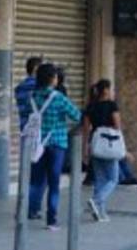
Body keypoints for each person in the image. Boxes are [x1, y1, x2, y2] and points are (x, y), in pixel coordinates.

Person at [27, 64, 82, 229]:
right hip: (57, 143)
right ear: (52, 79)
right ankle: (52, 220)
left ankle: (31, 210)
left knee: (36, 181)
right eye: (56, 76)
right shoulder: (58, 97)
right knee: (54, 183)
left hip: (37, 144)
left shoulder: (31, 96)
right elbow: (76, 115)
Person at [83, 79, 122, 221]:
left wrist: (85, 149)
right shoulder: (112, 105)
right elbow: (117, 126)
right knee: (113, 179)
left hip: (95, 143)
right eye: (111, 89)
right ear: (106, 90)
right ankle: (96, 200)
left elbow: (86, 129)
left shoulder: (90, 106)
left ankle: (101, 213)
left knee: (100, 179)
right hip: (109, 144)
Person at [15, 56, 44, 131]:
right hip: (38, 130)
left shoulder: (19, 88)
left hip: (24, 128)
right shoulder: (39, 87)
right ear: (36, 69)